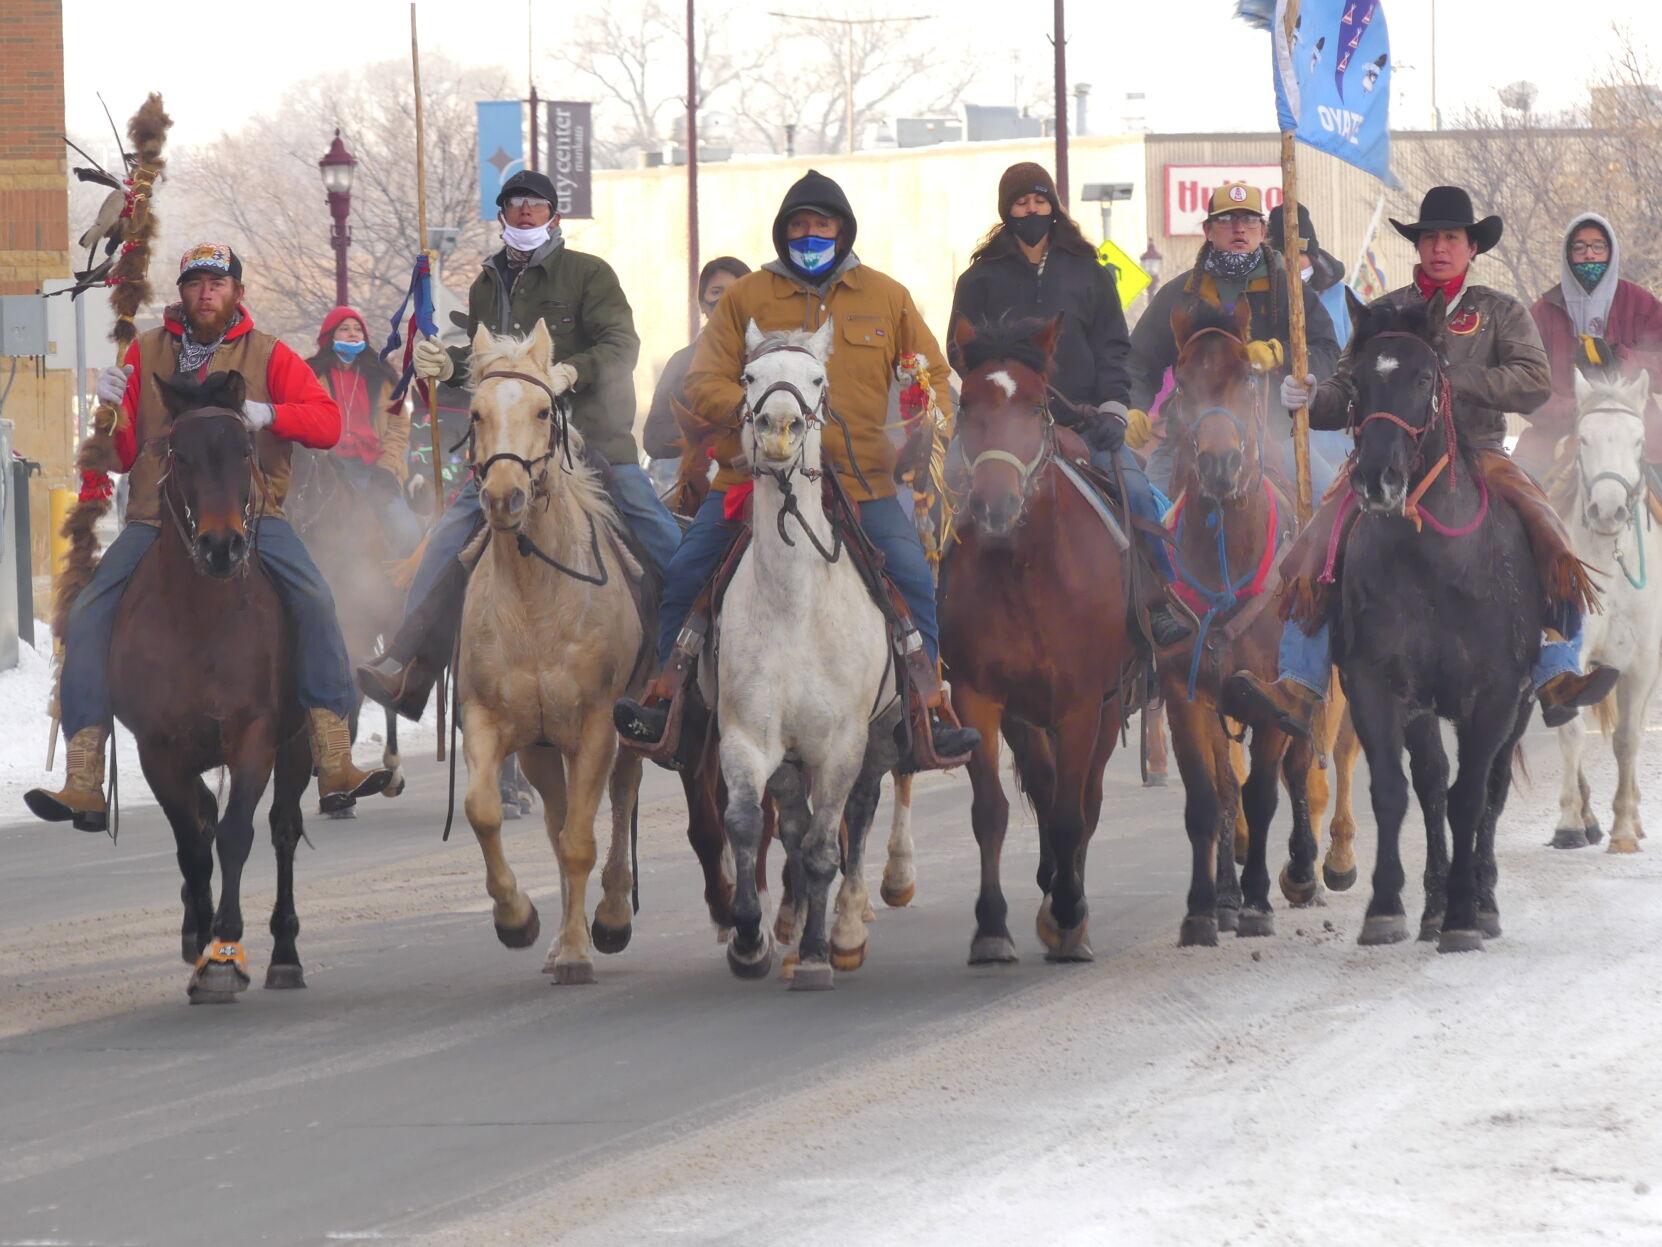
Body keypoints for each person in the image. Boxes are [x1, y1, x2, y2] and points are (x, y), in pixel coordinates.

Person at [612, 169, 980, 767]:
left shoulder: (887, 296)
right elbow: (702, 380)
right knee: (686, 572)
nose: (811, 234)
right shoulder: (747, 296)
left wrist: (924, 414)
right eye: (800, 225)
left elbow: (934, 376)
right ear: (784, 233)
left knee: (914, 577)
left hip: (863, 482)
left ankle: (927, 709)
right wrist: (755, 412)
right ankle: (665, 698)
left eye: (822, 225)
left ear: (843, 230)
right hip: (754, 480)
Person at [1227, 186, 1620, 737]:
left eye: (1451, 238)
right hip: (1391, 457)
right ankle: (1299, 682)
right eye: (1430, 237)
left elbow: (1534, 382)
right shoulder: (1384, 310)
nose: (1440, 247)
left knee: (1551, 535)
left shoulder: (1498, 311)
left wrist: (1443, 381)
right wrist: (1313, 396)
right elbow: (1347, 387)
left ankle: (1556, 669)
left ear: (1471, 247)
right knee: (1314, 544)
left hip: (1480, 453)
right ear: (1418, 246)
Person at [25, 243, 394, 828]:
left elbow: (327, 423)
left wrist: (270, 415)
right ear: (182, 292)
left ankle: (333, 756)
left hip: (253, 514)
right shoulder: (144, 350)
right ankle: (83, 774)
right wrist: (111, 409)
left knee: (317, 600)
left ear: (236, 293)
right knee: (89, 613)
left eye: (217, 284)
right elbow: (122, 457)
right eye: (195, 283)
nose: (205, 293)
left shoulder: (268, 353)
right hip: (154, 516)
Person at [357, 169, 680, 719]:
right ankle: (409, 663)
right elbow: (490, 367)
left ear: (554, 216)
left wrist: (571, 372)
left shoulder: (589, 273)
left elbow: (622, 344)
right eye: (514, 204)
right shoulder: (488, 283)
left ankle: (685, 665)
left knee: (664, 539)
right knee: (447, 538)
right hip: (512, 448)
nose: (525, 211)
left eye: (536, 204)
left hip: (593, 441)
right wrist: (449, 364)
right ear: (503, 216)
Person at [948, 160, 1186, 648]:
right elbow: (960, 350)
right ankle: (936, 611)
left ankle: (1158, 600)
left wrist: (1114, 411)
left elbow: (1114, 346)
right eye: (1020, 202)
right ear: (1005, 210)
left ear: (1053, 205)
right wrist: (995, 397)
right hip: (1002, 423)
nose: (1031, 210)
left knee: (1137, 492)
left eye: (1039, 200)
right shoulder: (979, 279)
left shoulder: (1091, 272)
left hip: (1083, 419)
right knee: (944, 493)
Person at [1129, 182, 1343, 497]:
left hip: (1278, 437)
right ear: (1208, 230)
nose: (1239, 229)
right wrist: (1134, 406)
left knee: (1330, 506)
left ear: (1263, 230)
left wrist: (1280, 353)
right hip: (1186, 439)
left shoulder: (1290, 292)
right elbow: (1137, 360)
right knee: (1145, 515)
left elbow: (1329, 353)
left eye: (1249, 220)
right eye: (1227, 220)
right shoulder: (1180, 295)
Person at [1522, 212, 1662, 479]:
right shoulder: (1544, 311)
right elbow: (1523, 384)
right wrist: (1573, 408)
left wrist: (1625, 359)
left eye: (1598, 246)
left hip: (1639, 434)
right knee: (1512, 497)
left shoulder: (1637, 301)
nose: (1589, 255)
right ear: (1567, 253)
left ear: (1611, 251)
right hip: (1555, 440)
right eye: (1580, 247)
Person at [304, 305, 422, 555]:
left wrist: (388, 468)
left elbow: (399, 428)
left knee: (407, 531)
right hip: (328, 465)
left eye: (358, 329)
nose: (353, 334)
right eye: (344, 329)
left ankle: (402, 586)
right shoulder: (311, 376)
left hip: (374, 466)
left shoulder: (383, 375)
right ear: (329, 337)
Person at [643, 256, 750, 489]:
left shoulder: (767, 361)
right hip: (693, 480)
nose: (725, 300)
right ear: (702, 304)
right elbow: (654, 438)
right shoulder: (682, 362)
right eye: (717, 292)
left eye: (735, 291)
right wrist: (704, 432)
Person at [1266, 202, 1356, 474]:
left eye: (1300, 252)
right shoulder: (1266, 299)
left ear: (1313, 256)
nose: (1292, 260)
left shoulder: (1343, 299)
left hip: (1336, 435)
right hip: (1279, 433)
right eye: (1281, 252)